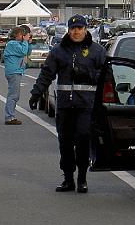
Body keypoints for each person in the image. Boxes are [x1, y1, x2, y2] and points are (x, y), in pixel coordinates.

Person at [29, 15, 106, 193]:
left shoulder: (97, 51)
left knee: (82, 140)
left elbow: (105, 76)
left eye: (80, 28)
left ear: (86, 29)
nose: (76, 32)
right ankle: (68, 178)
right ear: (68, 30)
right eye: (73, 28)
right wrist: (36, 93)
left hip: (86, 106)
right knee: (65, 143)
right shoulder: (59, 51)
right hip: (64, 106)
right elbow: (47, 73)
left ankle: (82, 178)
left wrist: (87, 74)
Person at [3, 26, 31, 125]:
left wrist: (27, 41)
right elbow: (23, 52)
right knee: (13, 95)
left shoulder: (17, 43)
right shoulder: (12, 44)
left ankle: (10, 116)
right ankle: (9, 117)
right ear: (15, 35)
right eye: (21, 34)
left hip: (16, 71)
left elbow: (27, 51)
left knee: (15, 95)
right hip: (13, 71)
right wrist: (25, 41)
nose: (22, 36)